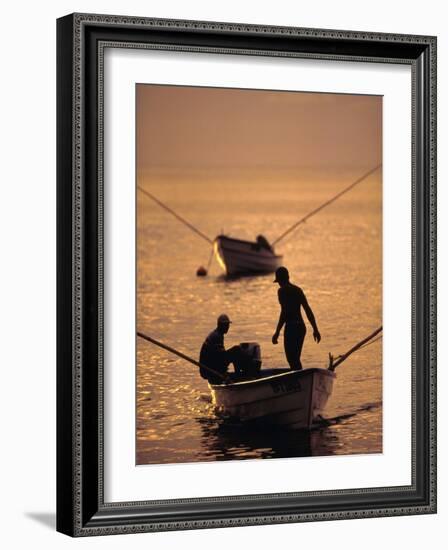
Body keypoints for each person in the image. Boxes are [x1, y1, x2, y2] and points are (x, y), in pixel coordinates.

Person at [272, 266, 321, 370]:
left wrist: (277, 332)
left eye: (279, 281)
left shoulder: (281, 291)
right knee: (296, 359)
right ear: (288, 277)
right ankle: (300, 381)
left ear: (280, 280)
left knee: (291, 359)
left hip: (291, 328)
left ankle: (298, 382)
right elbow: (307, 310)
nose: (279, 284)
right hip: (301, 327)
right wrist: (315, 329)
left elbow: (284, 312)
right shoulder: (298, 290)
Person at [199, 314, 242, 384]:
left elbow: (220, 357)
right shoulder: (216, 336)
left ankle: (237, 375)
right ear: (220, 325)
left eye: (228, 325)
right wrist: (223, 373)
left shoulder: (217, 334)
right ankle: (239, 376)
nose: (228, 327)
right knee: (236, 350)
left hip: (211, 366)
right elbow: (220, 357)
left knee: (235, 351)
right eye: (226, 325)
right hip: (209, 369)